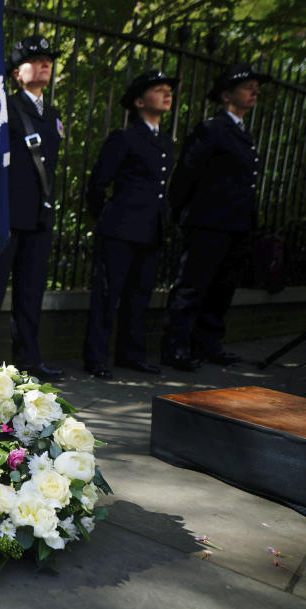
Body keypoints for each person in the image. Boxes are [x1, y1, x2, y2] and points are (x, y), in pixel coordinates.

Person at [161, 63, 270, 371]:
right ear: (226, 95)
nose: (254, 91)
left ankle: (207, 344)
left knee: (223, 288)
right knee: (193, 285)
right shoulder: (212, 128)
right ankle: (176, 347)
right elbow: (187, 173)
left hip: (235, 224)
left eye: (255, 87)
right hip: (208, 222)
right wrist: (180, 213)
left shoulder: (242, 132)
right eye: (247, 86)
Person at [0, 35, 63, 380]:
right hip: (6, 216)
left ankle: (28, 359)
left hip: (38, 217)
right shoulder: (3, 108)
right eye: (35, 59)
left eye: (48, 59)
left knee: (31, 293)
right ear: (15, 74)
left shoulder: (52, 114)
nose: (44, 64)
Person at [82, 70, 177, 379]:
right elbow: (97, 185)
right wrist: (109, 221)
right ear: (139, 101)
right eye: (159, 89)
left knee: (139, 295)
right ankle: (96, 358)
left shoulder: (165, 141)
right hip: (120, 230)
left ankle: (130, 354)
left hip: (150, 231)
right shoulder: (124, 137)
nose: (167, 94)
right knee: (108, 297)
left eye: (169, 90)